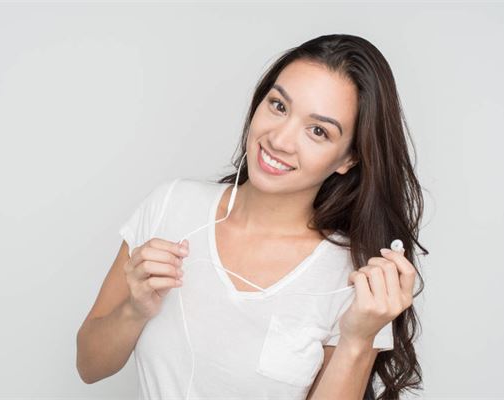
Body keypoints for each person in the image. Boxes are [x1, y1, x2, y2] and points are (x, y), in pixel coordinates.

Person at [76, 33, 428, 400]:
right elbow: (89, 366)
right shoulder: (172, 206)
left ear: (349, 158)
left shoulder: (353, 277)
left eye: (318, 131)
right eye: (279, 106)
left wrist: (357, 341)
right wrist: (134, 309)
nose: (279, 140)